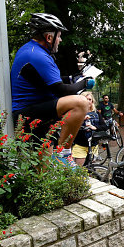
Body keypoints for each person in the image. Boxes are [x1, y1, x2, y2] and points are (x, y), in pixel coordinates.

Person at [10, 13, 94, 166]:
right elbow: (61, 91)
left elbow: (49, 81)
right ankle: (63, 153)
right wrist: (84, 84)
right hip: (27, 112)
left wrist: (71, 78)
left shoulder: (31, 50)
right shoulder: (38, 55)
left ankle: (57, 159)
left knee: (43, 173)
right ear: (49, 37)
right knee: (81, 103)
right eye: (59, 36)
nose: (60, 40)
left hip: (35, 112)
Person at [72, 92, 108, 166]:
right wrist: (81, 120)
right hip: (80, 145)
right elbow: (71, 128)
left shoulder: (96, 113)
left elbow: (104, 126)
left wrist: (95, 127)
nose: (87, 101)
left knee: (90, 169)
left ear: (92, 102)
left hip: (93, 145)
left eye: (89, 99)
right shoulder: (75, 113)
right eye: (85, 99)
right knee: (79, 169)